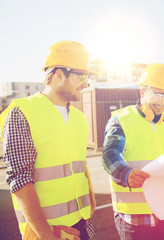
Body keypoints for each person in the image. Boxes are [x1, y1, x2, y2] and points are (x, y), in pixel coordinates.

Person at [0, 41, 96, 239]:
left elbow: (79, 169)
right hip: (46, 232)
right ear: (59, 74)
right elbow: (20, 179)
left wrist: (90, 208)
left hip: (81, 225)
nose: (86, 83)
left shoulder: (79, 118)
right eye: (82, 75)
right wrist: (45, 234)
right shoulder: (22, 112)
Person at [102, 63, 164, 240]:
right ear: (142, 92)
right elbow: (109, 154)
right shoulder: (121, 120)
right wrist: (125, 174)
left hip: (163, 213)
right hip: (132, 219)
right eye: (157, 94)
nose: (163, 102)